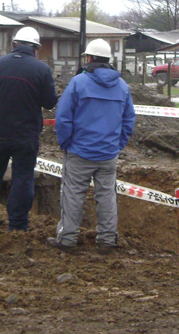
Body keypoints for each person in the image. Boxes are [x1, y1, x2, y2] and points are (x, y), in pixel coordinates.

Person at [48, 38, 135, 254]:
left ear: (89, 58)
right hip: (108, 155)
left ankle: (67, 239)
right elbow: (128, 120)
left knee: (72, 195)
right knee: (106, 197)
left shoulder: (78, 83)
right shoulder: (122, 87)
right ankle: (106, 240)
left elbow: (63, 118)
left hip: (79, 152)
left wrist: (66, 143)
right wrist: (117, 144)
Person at [0, 26, 58, 235]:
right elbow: (50, 102)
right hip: (26, 136)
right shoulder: (41, 70)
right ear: (35, 48)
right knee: (23, 179)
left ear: (14, 44)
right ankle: (17, 227)